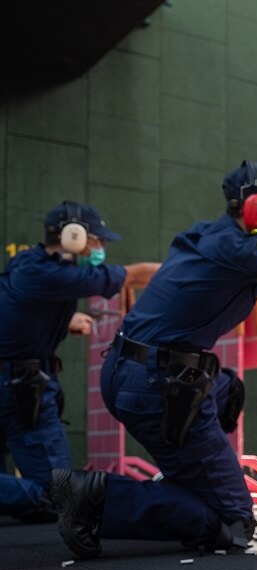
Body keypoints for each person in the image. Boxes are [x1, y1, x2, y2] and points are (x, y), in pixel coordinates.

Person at [52, 162, 257, 559]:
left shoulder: (207, 237)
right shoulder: (241, 250)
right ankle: (99, 499)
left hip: (134, 372)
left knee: (226, 388)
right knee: (232, 522)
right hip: (157, 383)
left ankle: (195, 471)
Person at [0, 202, 157, 523]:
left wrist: (65, 319)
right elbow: (134, 276)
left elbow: (22, 309)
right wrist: (193, 272)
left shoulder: (30, 263)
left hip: (12, 376)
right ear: (73, 236)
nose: (101, 248)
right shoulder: (52, 273)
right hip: (17, 383)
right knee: (58, 495)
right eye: (97, 240)